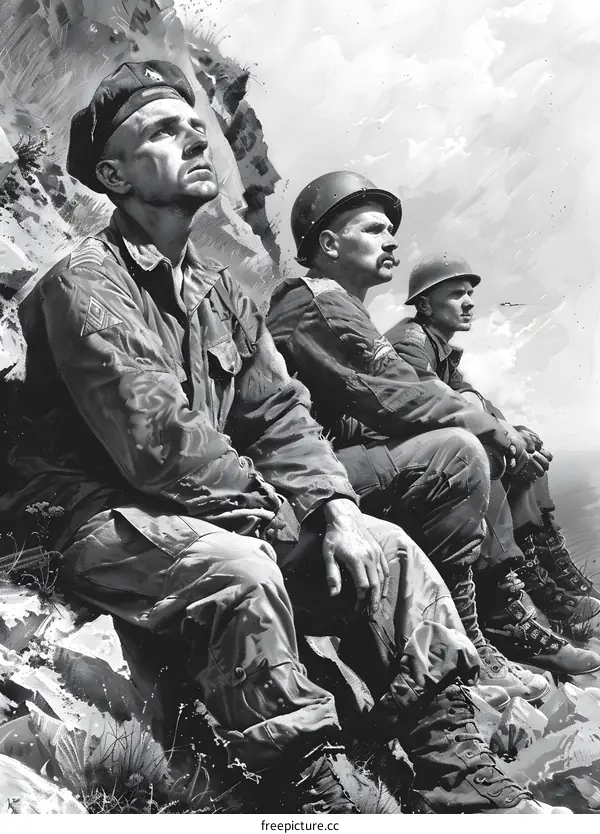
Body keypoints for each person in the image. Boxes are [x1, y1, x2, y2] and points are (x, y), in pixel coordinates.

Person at [0, 61, 563, 815]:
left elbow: (278, 416)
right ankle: (306, 779)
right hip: (92, 518)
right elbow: (156, 440)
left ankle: (453, 769)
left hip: (203, 505)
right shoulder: (85, 282)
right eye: (165, 131)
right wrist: (278, 513)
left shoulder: (224, 293)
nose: (196, 138)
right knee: (242, 570)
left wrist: (332, 508)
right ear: (114, 174)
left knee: (385, 548)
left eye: (198, 125)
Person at [267, 171, 600, 692]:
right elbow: (402, 395)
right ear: (329, 243)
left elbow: (404, 398)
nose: (391, 239)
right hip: (300, 485)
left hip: (321, 470)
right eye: (375, 229)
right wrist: (492, 430)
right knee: (460, 452)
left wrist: (498, 426)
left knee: (471, 441)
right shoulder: (317, 301)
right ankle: (481, 630)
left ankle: (497, 618)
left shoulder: (339, 306)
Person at [385, 253, 600, 652]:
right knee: (490, 456)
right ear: (426, 304)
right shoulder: (410, 345)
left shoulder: (438, 347)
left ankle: (549, 572)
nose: (469, 302)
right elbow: (437, 412)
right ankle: (514, 601)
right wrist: (503, 437)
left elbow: (471, 401)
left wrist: (515, 434)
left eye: (470, 294)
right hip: (399, 465)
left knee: (521, 444)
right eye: (456, 294)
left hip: (423, 454)